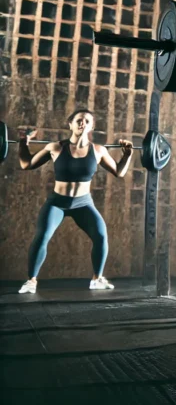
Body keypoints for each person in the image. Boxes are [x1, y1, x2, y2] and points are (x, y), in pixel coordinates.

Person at [16, 108, 133, 293]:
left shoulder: (99, 150)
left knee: (101, 236)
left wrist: (127, 155)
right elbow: (26, 164)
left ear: (91, 126)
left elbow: (119, 172)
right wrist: (23, 143)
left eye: (87, 121)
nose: (82, 123)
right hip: (57, 203)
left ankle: (97, 278)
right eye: (79, 120)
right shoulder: (55, 147)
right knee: (42, 237)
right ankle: (31, 281)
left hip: (83, 204)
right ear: (70, 124)